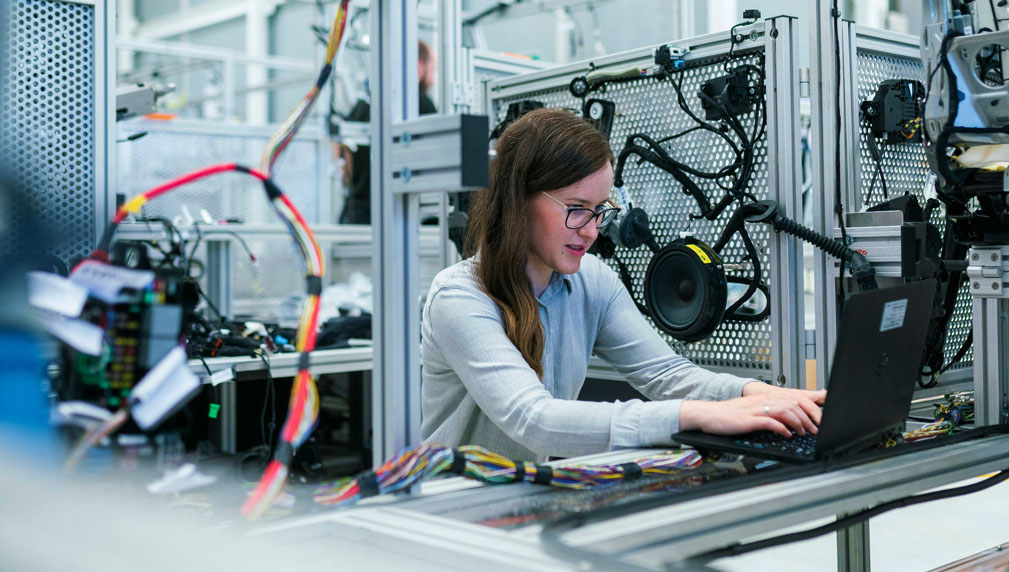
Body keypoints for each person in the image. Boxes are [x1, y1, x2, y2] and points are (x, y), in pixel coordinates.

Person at [420, 108, 825, 462]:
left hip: (523, 497)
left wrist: (760, 395)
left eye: (600, 211)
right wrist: (695, 415)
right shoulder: (460, 297)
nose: (593, 231)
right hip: (454, 514)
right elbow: (534, 420)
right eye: (577, 210)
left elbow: (667, 375)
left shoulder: (591, 281)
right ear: (518, 200)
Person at [338, 40, 436, 223]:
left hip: (356, 214)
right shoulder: (420, 103)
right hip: (397, 214)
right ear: (418, 66)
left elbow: (343, 156)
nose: (434, 78)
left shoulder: (364, 104)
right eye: (433, 69)